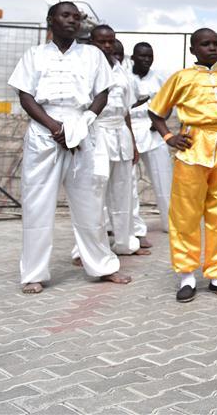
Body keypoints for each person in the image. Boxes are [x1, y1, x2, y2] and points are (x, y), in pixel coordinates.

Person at [8, 2, 132, 294]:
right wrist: (54, 127)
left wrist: (83, 122)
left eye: (77, 17)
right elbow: (26, 97)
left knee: (90, 203)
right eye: (66, 15)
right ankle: (34, 273)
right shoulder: (33, 55)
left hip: (81, 129)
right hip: (43, 132)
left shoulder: (91, 55)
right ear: (51, 20)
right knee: (38, 204)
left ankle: (102, 266)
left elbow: (102, 93)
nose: (72, 21)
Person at [148, 28, 217, 303]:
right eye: (205, 44)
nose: (212, 48)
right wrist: (169, 136)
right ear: (193, 50)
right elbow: (155, 111)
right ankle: (187, 276)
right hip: (192, 148)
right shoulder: (182, 77)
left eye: (216, 43)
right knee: (185, 215)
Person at [81, 25, 147, 259]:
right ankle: (85, 250)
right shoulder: (85, 67)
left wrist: (134, 143)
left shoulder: (120, 70)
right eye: (102, 42)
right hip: (96, 133)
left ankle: (125, 242)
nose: (107, 46)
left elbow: (126, 109)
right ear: (92, 42)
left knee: (123, 191)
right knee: (94, 193)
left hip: (121, 134)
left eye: (111, 41)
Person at [130, 42, 173, 234]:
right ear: (133, 57)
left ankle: (170, 223)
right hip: (129, 131)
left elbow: (169, 103)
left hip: (153, 131)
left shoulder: (159, 78)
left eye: (149, 56)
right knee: (127, 184)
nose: (146, 59)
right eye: (142, 56)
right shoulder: (125, 76)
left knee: (164, 179)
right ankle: (132, 228)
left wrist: (160, 121)